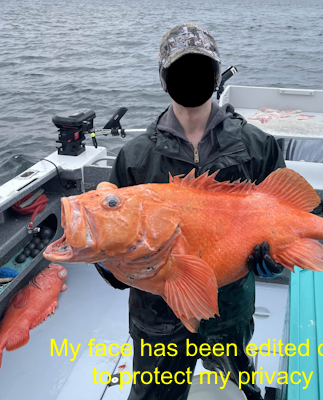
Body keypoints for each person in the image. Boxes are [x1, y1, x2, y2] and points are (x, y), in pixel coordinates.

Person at [94, 23, 286, 400]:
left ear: (216, 76)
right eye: (181, 70)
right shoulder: (134, 157)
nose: (191, 79)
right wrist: (106, 263)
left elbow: (282, 213)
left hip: (229, 309)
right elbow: (111, 239)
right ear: (164, 79)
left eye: (201, 69)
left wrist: (276, 257)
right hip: (157, 318)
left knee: (238, 386)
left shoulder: (257, 146)